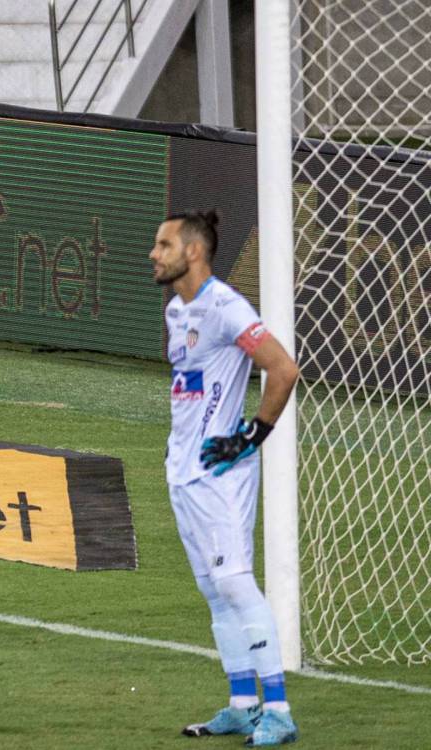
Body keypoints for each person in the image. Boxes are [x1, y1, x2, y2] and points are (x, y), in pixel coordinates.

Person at [150, 211, 300, 747]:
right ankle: (241, 704)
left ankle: (278, 711)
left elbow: (283, 368)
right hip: (183, 471)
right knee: (214, 591)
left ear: (193, 252)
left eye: (163, 244)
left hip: (221, 472)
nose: (154, 253)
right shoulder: (176, 312)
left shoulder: (226, 307)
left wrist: (251, 437)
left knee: (235, 580)